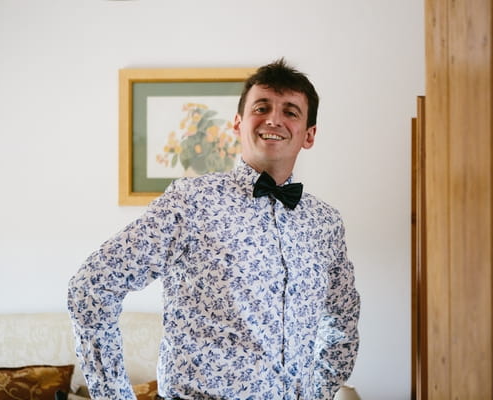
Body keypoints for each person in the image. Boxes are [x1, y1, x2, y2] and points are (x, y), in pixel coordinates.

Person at [68, 58, 360, 400]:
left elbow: (343, 317)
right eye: (261, 107)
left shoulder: (325, 223)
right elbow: (92, 286)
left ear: (309, 135)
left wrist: (321, 391)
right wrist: (114, 395)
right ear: (238, 124)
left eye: (291, 111)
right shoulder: (191, 201)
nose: (274, 119)